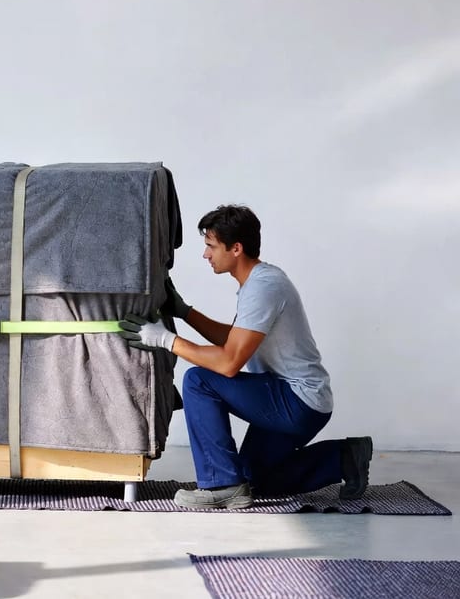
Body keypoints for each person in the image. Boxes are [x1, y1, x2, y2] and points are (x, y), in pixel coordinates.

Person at [119, 204, 372, 510]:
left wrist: (165, 340)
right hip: (288, 396)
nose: (206, 255)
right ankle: (344, 458)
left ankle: (221, 485)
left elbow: (229, 362)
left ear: (236, 248)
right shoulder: (259, 282)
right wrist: (185, 313)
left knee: (199, 380)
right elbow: (237, 340)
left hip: (298, 400)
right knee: (257, 478)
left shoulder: (264, 287)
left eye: (211, 246)